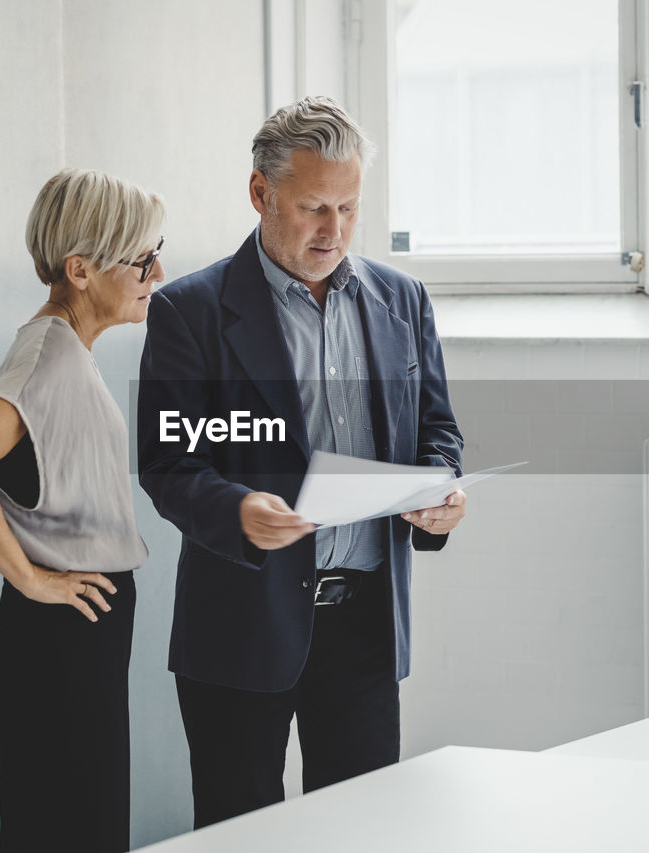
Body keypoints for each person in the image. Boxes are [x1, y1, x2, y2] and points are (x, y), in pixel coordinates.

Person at [136, 96, 465, 828]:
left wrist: (441, 492)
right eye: (315, 206)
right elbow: (168, 461)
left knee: (359, 833)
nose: (335, 229)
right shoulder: (190, 311)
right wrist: (237, 512)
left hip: (366, 630)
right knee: (239, 830)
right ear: (260, 193)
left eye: (349, 206)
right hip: (241, 626)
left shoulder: (402, 299)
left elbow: (437, 431)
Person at [0, 168, 164, 852]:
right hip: (56, 652)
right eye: (142, 258)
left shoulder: (64, 350)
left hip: (78, 645)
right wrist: (33, 579)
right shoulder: (50, 358)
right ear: (81, 269)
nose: (157, 271)